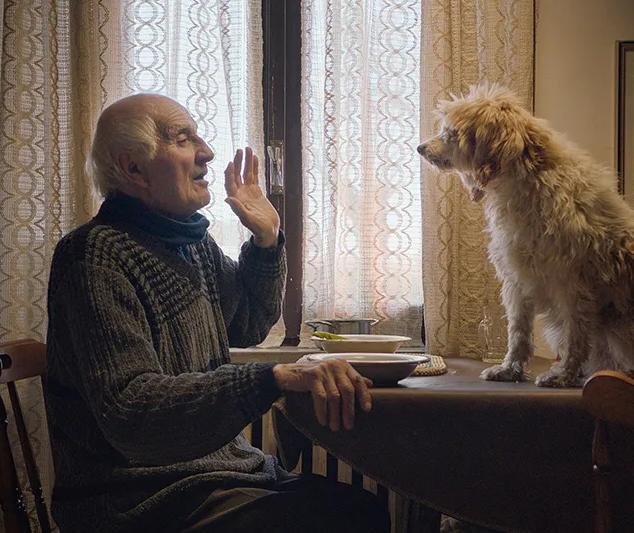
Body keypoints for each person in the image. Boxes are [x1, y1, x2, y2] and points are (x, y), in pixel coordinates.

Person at [44, 93, 391, 533]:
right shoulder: (93, 255)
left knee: (361, 509)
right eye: (183, 139)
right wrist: (272, 377)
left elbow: (246, 323)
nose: (207, 152)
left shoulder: (192, 245)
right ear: (133, 168)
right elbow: (132, 412)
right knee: (335, 520)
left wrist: (267, 239)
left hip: (216, 479)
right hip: (134, 499)